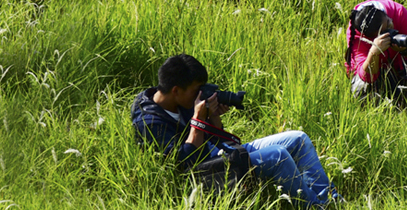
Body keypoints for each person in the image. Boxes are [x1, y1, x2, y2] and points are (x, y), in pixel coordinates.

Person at [132, 54, 339, 206]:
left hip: (221, 154)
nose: (200, 95)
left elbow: (215, 138)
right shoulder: (149, 122)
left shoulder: (181, 100)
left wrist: (213, 117)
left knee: (298, 139)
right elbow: (184, 164)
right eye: (196, 90)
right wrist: (198, 118)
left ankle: (330, 199)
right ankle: (316, 207)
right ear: (176, 90)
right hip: (207, 172)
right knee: (278, 156)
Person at [344, 0, 407, 96]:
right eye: (383, 32)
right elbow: (367, 77)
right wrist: (374, 52)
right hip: (375, 73)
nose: (390, 28)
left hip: (399, 64)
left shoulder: (398, 12)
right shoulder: (357, 34)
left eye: (388, 22)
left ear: (385, 14)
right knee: (362, 90)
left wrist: (405, 50)